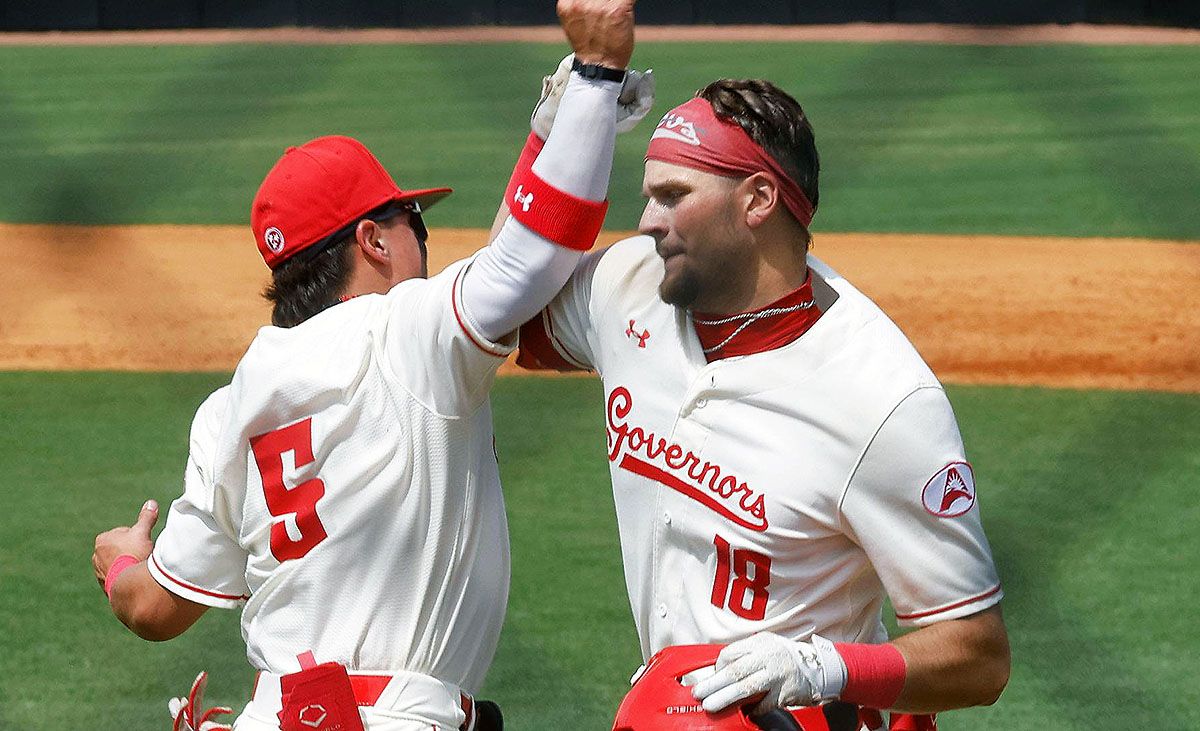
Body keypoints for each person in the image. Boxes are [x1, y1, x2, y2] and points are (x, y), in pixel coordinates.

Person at [89, 2, 646, 729]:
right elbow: (527, 259)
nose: (427, 240)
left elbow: (154, 607)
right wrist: (598, 75)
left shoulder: (228, 410)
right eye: (413, 222)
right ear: (374, 243)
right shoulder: (405, 335)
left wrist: (123, 561)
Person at [515, 78, 1010, 731]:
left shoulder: (882, 400)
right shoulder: (630, 286)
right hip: (679, 710)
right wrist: (550, 137)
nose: (646, 222)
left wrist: (821, 668)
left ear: (757, 199)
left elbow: (977, 654)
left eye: (674, 196)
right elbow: (507, 306)